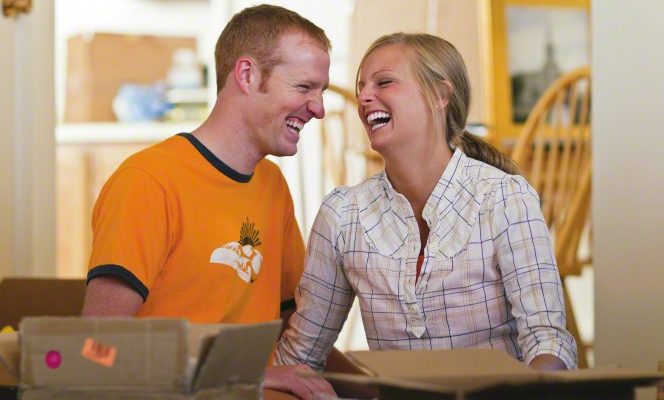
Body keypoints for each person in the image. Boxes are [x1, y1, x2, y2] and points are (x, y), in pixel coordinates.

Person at [275, 32, 578, 374]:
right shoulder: (342, 216)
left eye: (384, 82)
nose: (364, 97)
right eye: (361, 87)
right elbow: (301, 356)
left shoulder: (505, 198)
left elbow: (550, 342)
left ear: (440, 95)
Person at [81, 4, 336, 399]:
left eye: (320, 91)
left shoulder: (272, 185)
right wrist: (240, 377)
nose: (319, 108)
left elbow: (296, 327)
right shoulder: (147, 182)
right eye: (304, 88)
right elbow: (95, 352)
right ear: (247, 75)